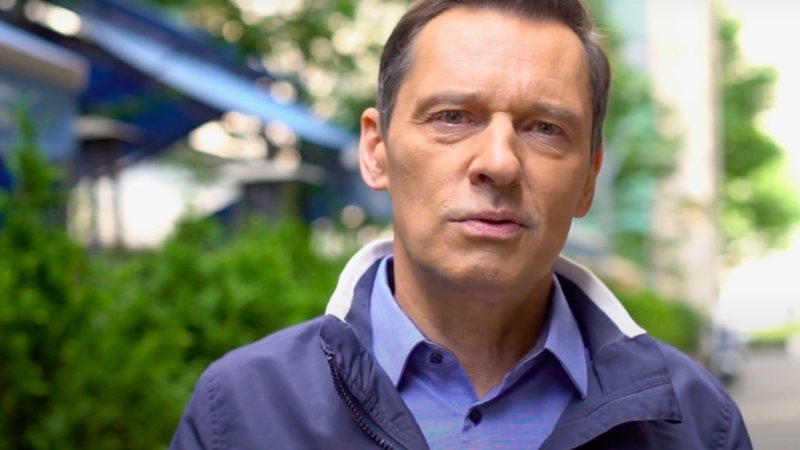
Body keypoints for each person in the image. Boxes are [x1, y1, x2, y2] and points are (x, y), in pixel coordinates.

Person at [169, 0, 753, 448]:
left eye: (545, 128)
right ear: (376, 151)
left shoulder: (696, 424)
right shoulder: (242, 412)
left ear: (588, 179)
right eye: (452, 117)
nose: (498, 163)